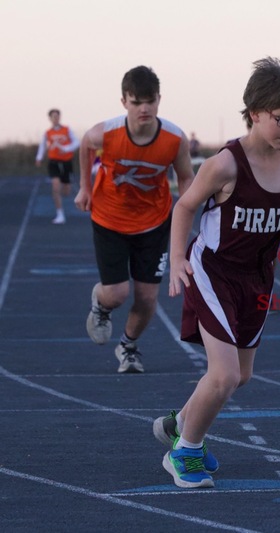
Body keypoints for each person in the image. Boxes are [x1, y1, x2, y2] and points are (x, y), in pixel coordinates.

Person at [155, 57, 280, 489]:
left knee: (240, 377)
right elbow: (185, 206)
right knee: (225, 374)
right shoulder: (226, 164)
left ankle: (182, 421)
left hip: (259, 276)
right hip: (214, 271)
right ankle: (185, 451)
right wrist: (177, 259)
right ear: (254, 113)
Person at [75, 66, 194, 374]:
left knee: (146, 297)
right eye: (136, 101)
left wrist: (192, 211)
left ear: (159, 99)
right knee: (117, 293)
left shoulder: (174, 138)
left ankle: (128, 347)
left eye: (150, 101)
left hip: (153, 222)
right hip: (109, 218)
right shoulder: (107, 133)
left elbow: (186, 178)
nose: (144, 108)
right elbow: (86, 146)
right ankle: (101, 305)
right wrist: (85, 188)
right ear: (124, 101)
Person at [35, 109, 80, 224]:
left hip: (66, 162)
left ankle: (64, 189)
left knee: (66, 190)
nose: (55, 118)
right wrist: (39, 157)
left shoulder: (67, 130)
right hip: (53, 162)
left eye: (57, 116)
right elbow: (43, 146)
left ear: (60, 117)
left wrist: (65, 149)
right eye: (53, 116)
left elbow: (76, 142)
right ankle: (60, 214)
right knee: (55, 187)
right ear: (50, 118)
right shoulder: (47, 133)